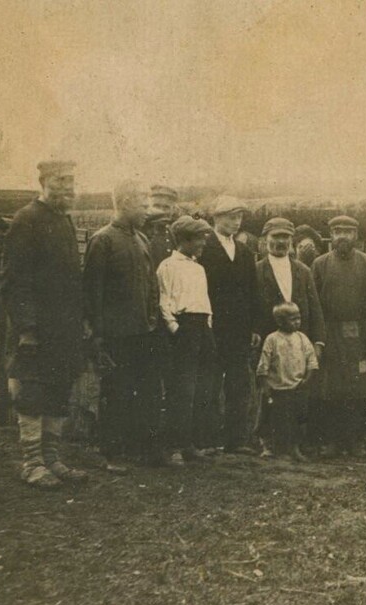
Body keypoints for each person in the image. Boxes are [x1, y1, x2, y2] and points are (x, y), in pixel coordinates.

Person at [0, 160, 87, 488]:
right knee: (33, 392)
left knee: (58, 391)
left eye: (71, 180)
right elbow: (15, 281)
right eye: (60, 180)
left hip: (63, 328)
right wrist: (27, 328)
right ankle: (32, 462)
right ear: (43, 181)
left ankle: (52, 459)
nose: (67, 186)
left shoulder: (64, 221)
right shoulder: (26, 219)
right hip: (35, 331)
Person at [83, 180, 163, 465]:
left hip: (143, 332)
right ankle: (111, 451)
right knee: (117, 390)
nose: (147, 212)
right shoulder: (102, 240)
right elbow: (93, 292)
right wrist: (98, 335)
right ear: (126, 203)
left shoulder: (141, 240)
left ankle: (139, 448)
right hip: (116, 335)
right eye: (142, 206)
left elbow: (152, 285)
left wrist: (151, 319)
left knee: (145, 390)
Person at [311, 215, 366, 457]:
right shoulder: (320, 264)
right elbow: (314, 306)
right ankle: (332, 440)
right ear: (331, 236)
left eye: (348, 231)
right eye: (337, 231)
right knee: (330, 386)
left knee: (358, 387)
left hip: (359, 334)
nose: (342, 236)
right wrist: (318, 338)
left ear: (356, 236)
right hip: (329, 332)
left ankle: (355, 440)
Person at [199, 196, 260, 454]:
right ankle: (208, 439)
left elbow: (253, 292)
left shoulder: (245, 252)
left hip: (239, 329)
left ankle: (236, 440)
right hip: (213, 326)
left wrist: (255, 327)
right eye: (230, 217)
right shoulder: (204, 247)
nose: (236, 222)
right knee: (210, 382)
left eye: (239, 217)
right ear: (216, 218)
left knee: (238, 383)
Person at [157, 216, 215, 467]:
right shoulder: (168, 266)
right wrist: (175, 328)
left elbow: (204, 301)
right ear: (184, 240)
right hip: (184, 329)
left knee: (203, 386)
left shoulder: (199, 268)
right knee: (182, 388)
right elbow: (163, 300)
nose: (203, 243)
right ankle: (173, 447)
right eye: (199, 238)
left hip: (202, 328)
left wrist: (208, 327)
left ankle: (190, 442)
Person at [256, 302, 319, 461]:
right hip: (277, 387)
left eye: (299, 318)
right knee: (274, 419)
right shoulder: (272, 339)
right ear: (280, 321)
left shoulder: (302, 338)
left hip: (296, 387)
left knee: (296, 420)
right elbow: (263, 364)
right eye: (292, 319)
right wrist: (265, 385)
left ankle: (294, 448)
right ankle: (272, 448)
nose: (297, 322)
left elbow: (312, 360)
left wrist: (307, 379)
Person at [255, 218, 326, 347]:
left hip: (299, 344)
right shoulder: (255, 271)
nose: (281, 241)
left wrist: (318, 342)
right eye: (276, 236)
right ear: (265, 239)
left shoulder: (304, 271)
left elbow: (315, 308)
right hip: (267, 344)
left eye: (286, 236)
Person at [145, 185, 180, 270]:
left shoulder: (173, 233)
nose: (161, 211)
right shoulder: (142, 233)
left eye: (166, 207)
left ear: (173, 210)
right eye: (156, 206)